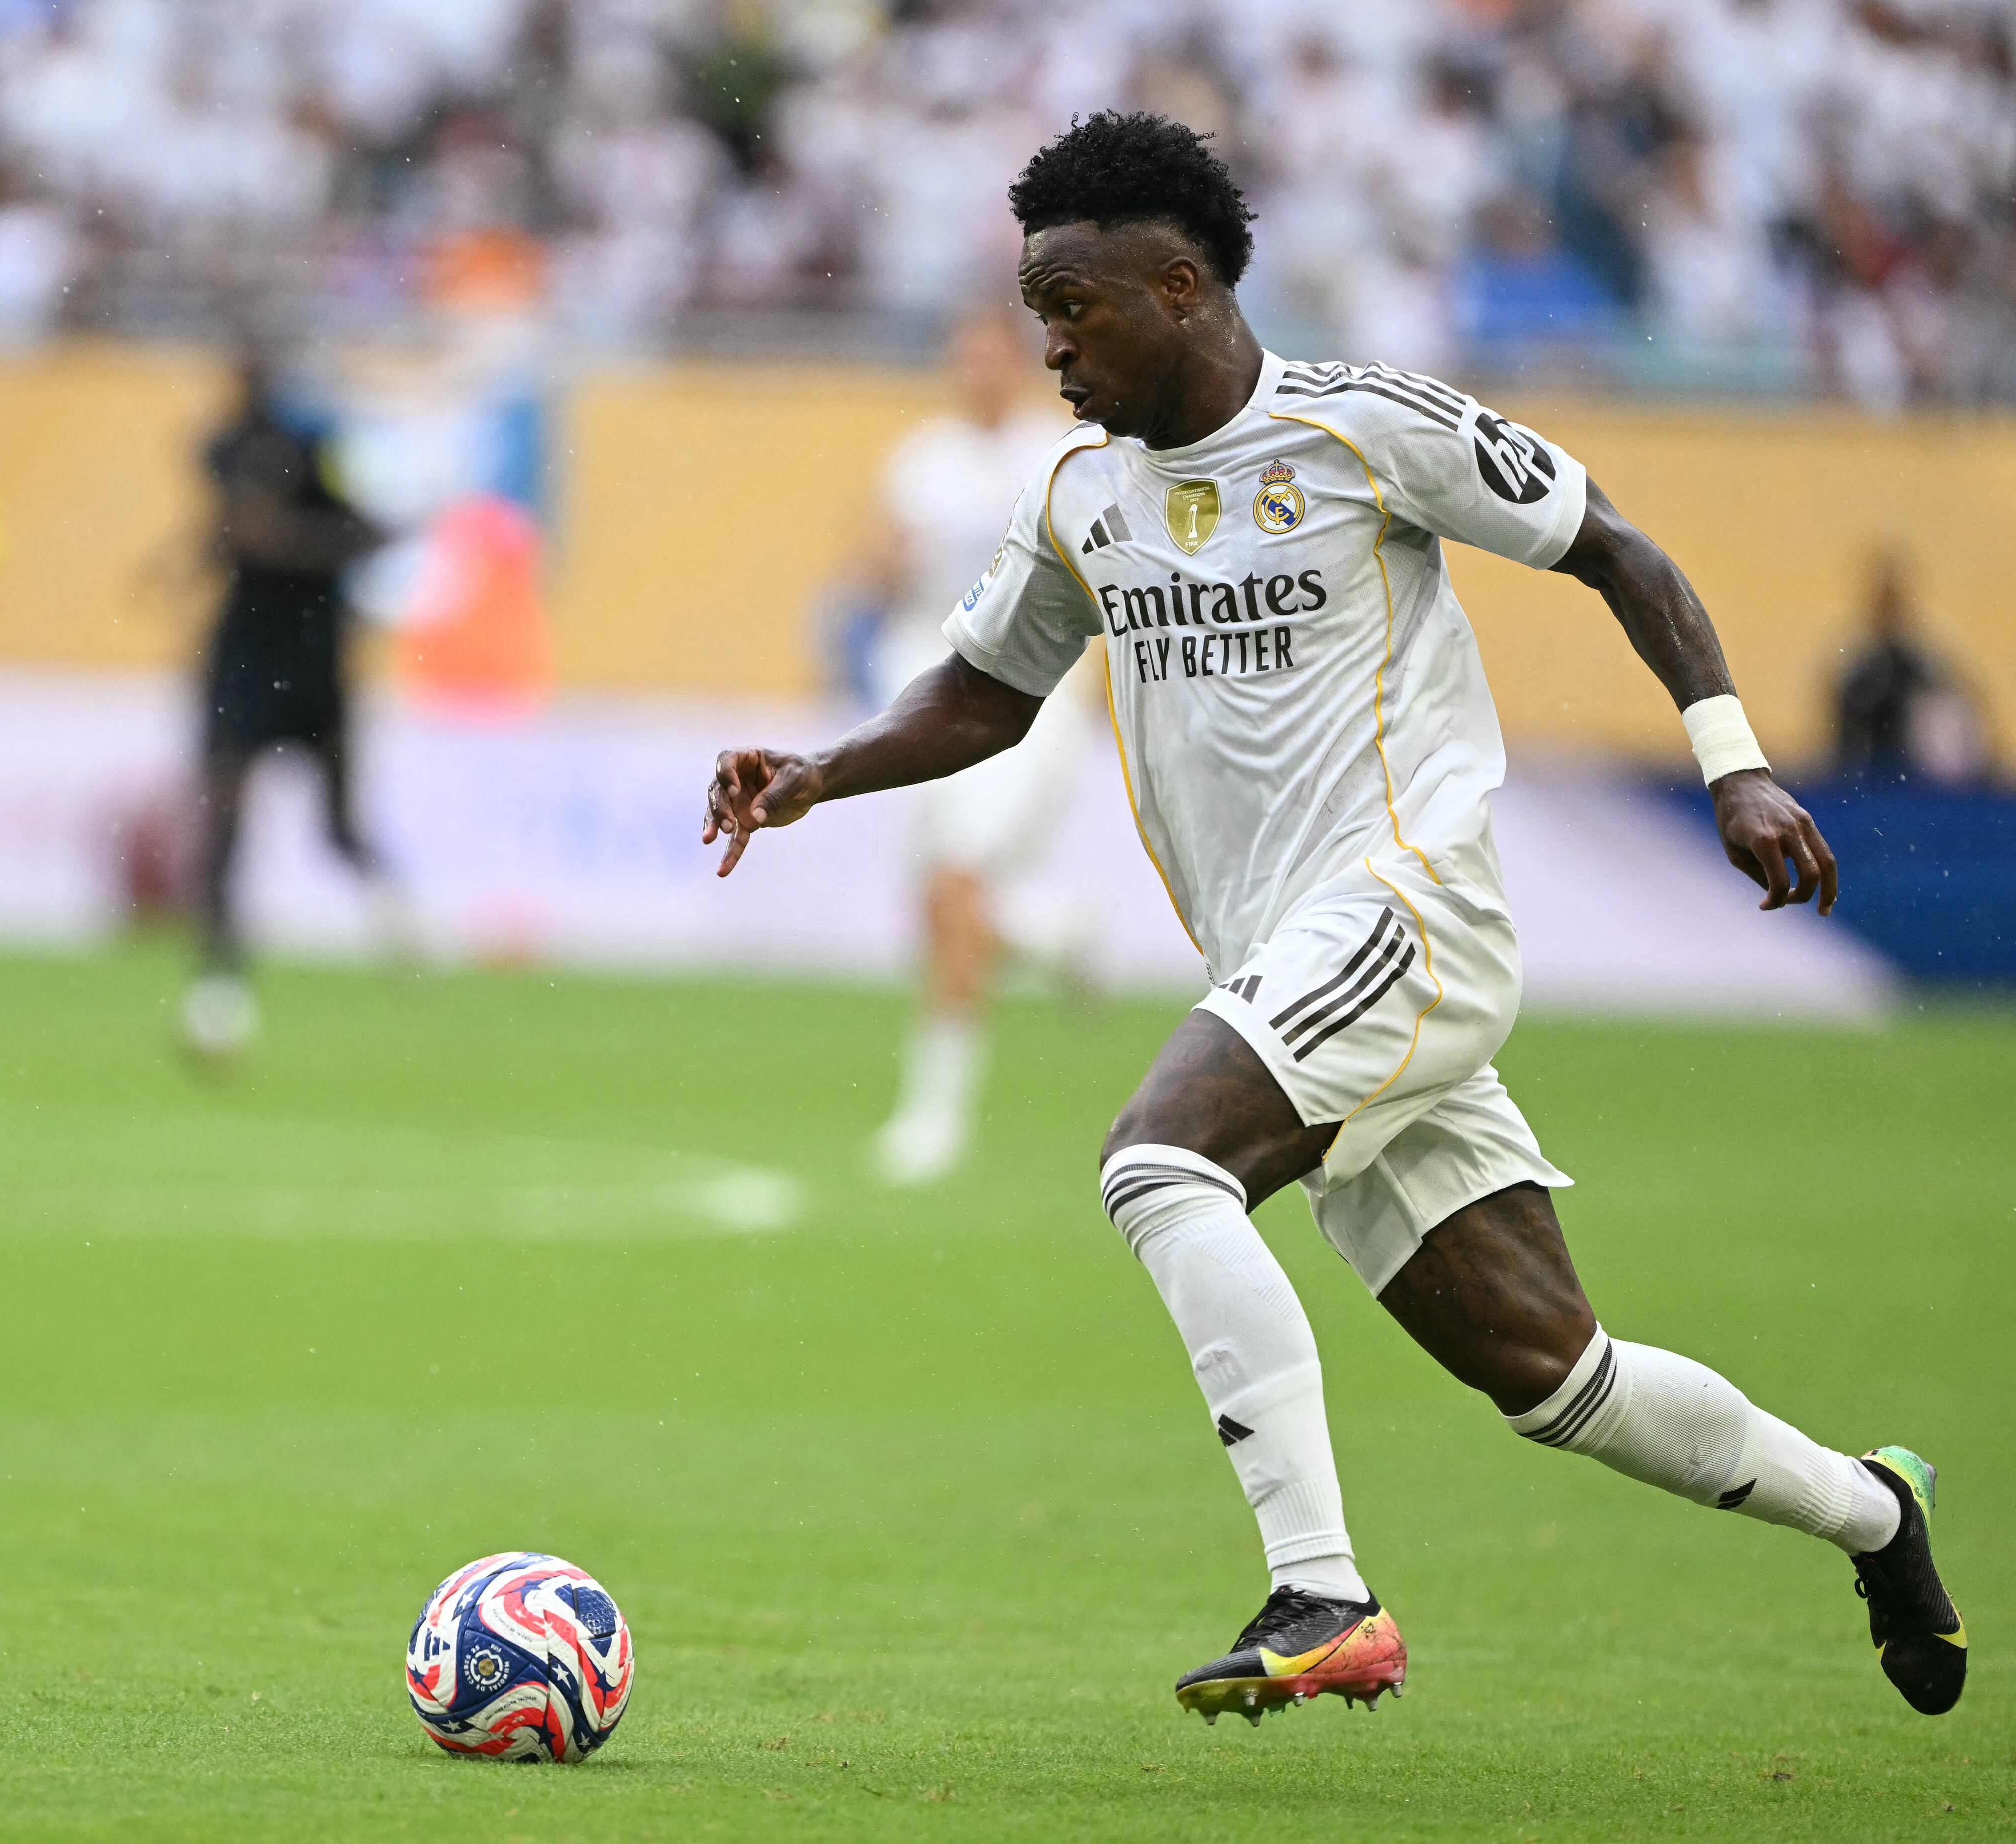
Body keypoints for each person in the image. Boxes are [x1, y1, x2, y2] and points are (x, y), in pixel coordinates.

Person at [704, 113, 1962, 1724]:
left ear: (1177, 287)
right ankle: (1872, 1509)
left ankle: (1322, 1592)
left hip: (1404, 910)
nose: (1052, 346)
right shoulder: (1083, 498)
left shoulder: (1364, 428)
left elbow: (1618, 550)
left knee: (1158, 1165)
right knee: (1555, 1378)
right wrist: (818, 771)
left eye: (1073, 307)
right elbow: (985, 694)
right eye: (1038, 313)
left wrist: (1734, 767)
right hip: (1288, 968)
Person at [848, 304, 1086, 1185]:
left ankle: (935, 1116)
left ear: (1017, 364)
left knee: (955, 883)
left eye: (990, 356)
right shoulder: (925, 458)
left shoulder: (1056, 454)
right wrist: (877, 566)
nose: (974, 371)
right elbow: (878, 561)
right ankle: (1052, 932)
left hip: (1021, 693)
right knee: (935, 900)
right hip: (922, 680)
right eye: (963, 356)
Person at [181, 352, 386, 1058]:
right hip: (243, 661)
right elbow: (230, 534)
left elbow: (361, 531)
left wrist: (284, 542)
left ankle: (394, 920)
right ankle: (220, 974)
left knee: (339, 827)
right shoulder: (224, 450)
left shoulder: (316, 454)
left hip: (310, 663)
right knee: (224, 817)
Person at [1833, 549, 1993, 783]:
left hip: (1920, 779)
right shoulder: (1855, 663)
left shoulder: (1928, 661)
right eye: (1883, 602)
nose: (1888, 610)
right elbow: (1842, 730)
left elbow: (1959, 712)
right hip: (1868, 777)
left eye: (1893, 602)